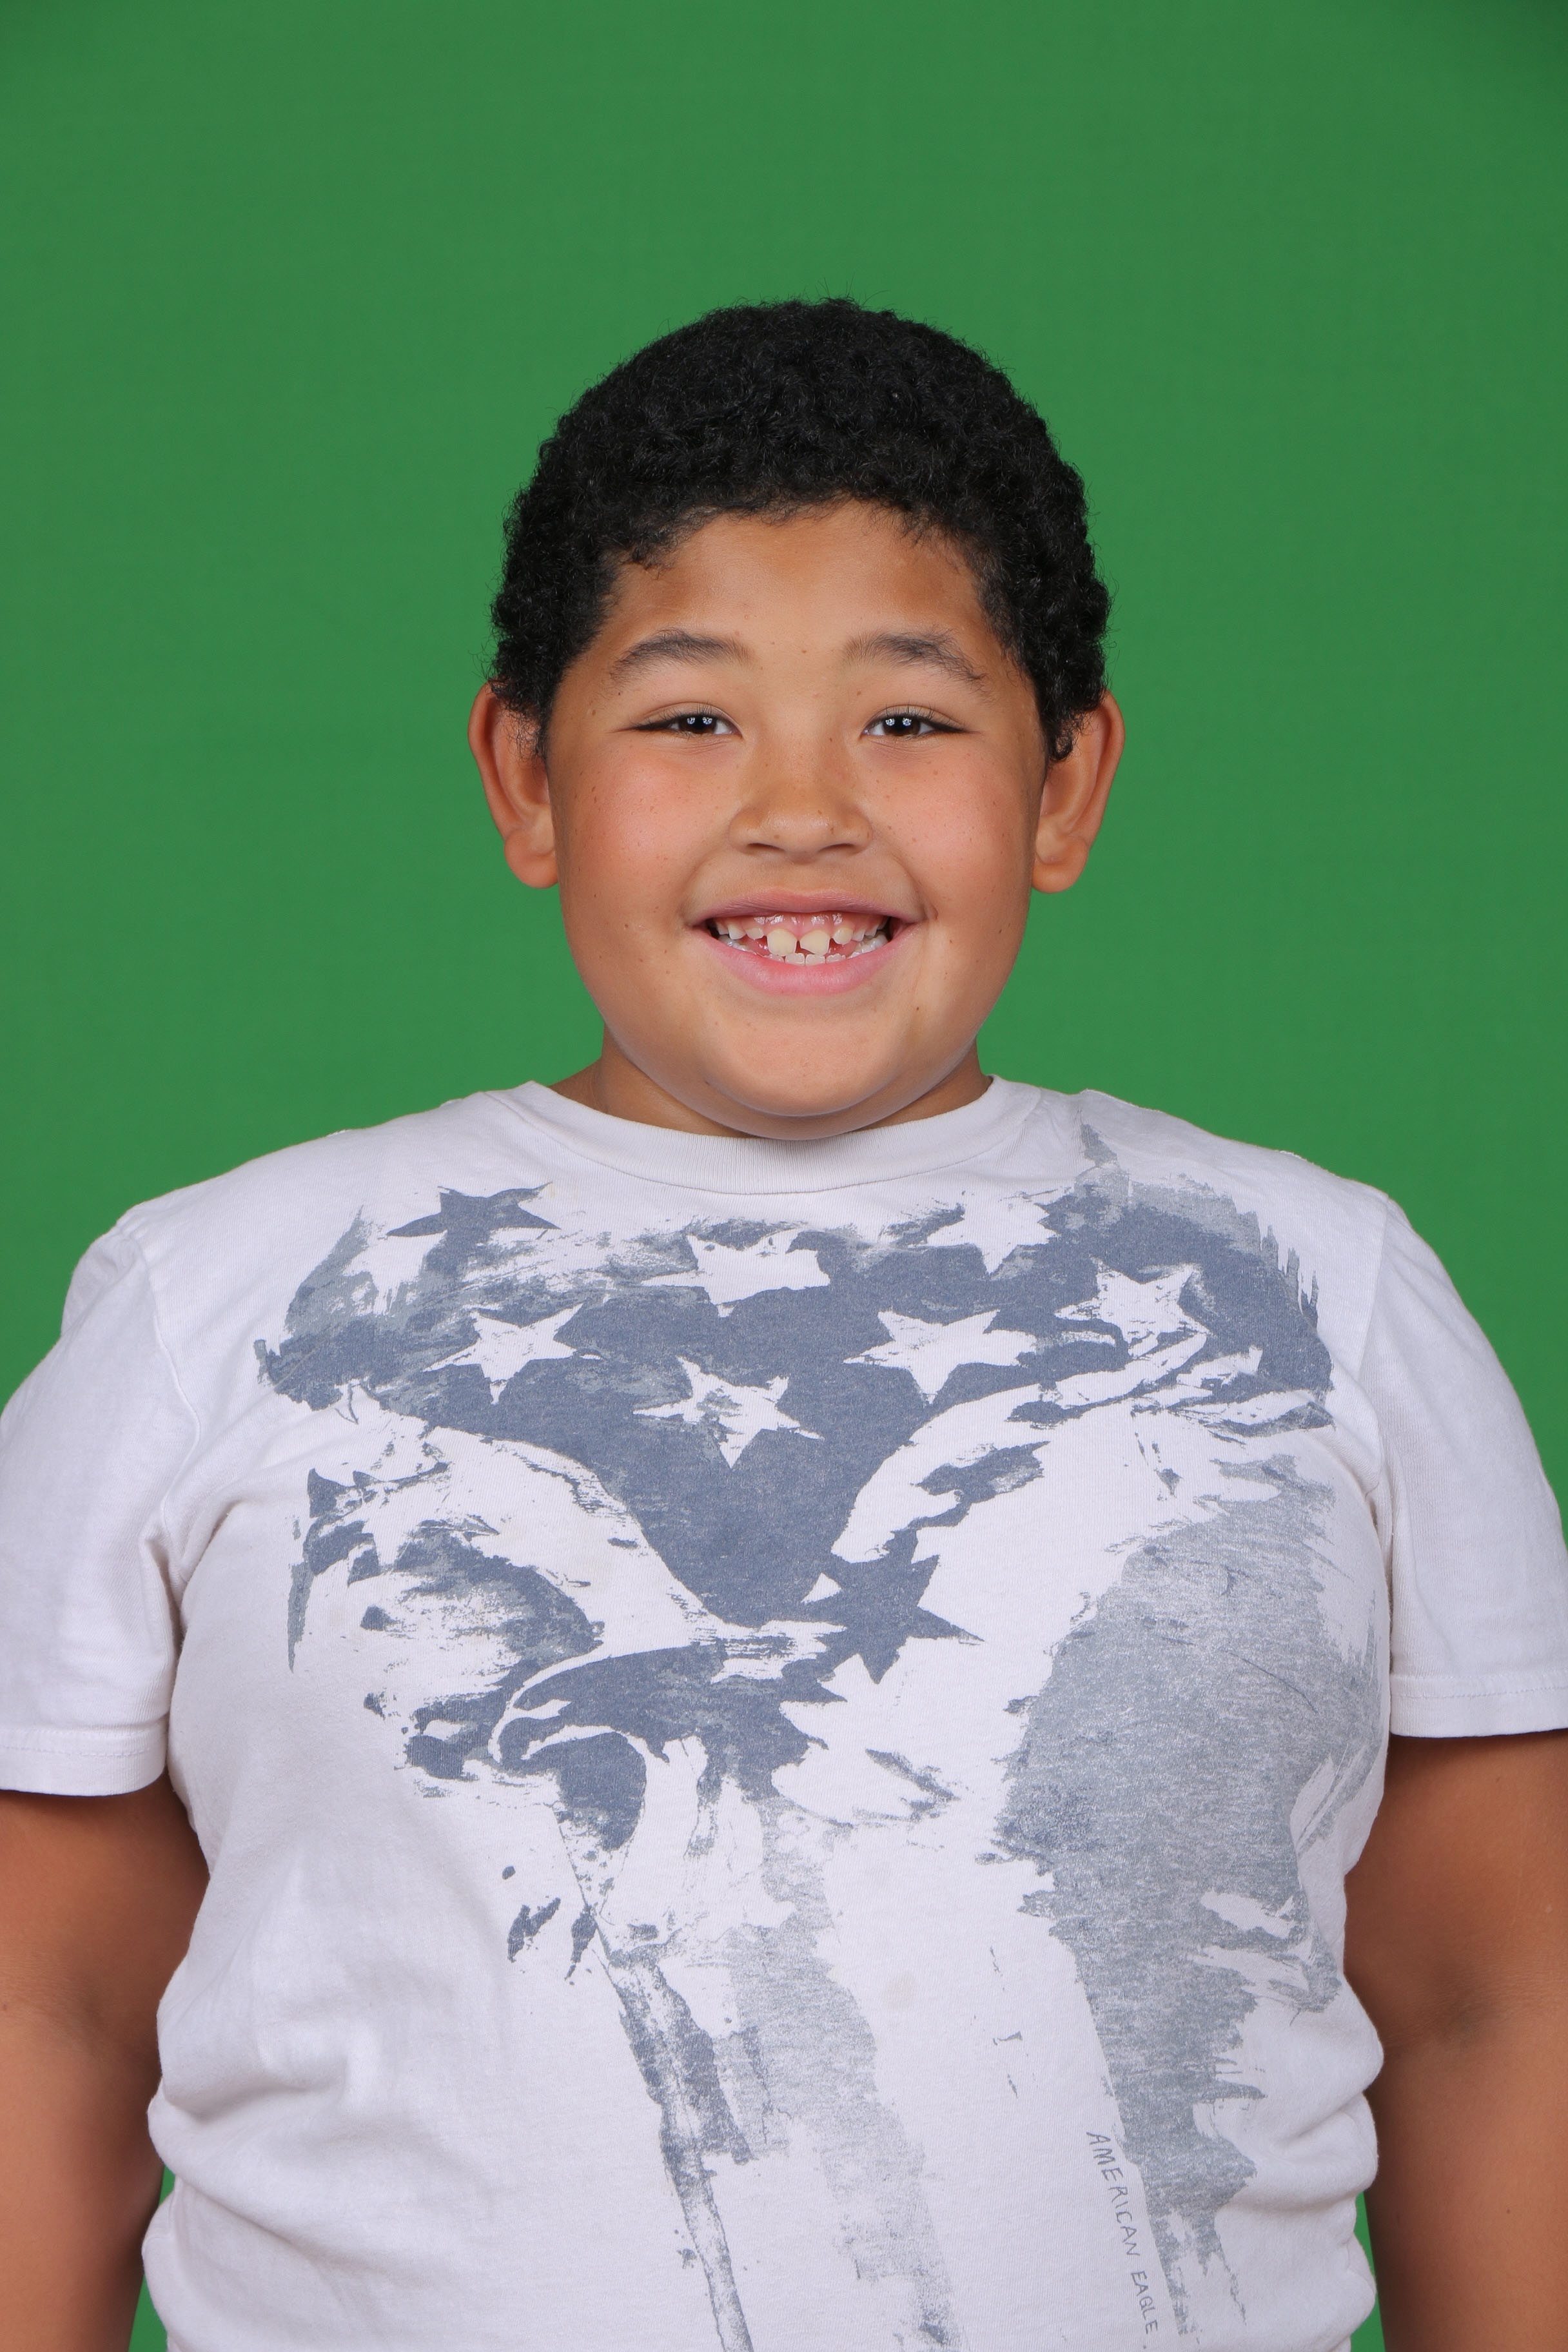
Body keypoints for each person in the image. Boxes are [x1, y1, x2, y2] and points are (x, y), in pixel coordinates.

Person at [1, 300, 1564, 2352]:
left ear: (1067, 785)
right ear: (527, 778)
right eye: (689, 718)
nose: (804, 808)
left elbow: (1488, 2002)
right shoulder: (215, 1299)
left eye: (909, 720)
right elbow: (52, 2006)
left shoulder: (1318, 1289)